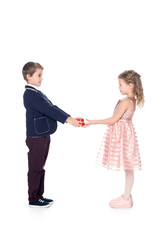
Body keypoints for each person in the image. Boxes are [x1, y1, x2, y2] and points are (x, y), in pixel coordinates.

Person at [23, 62, 80, 208]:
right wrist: (68, 119)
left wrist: (69, 117)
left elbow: (51, 107)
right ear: (28, 76)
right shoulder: (30, 94)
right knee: (35, 168)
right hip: (36, 137)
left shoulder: (36, 92)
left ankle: (39, 196)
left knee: (40, 167)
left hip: (42, 135)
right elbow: (48, 109)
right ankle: (33, 199)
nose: (42, 78)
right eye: (39, 75)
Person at [85, 70, 144, 208]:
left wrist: (92, 122)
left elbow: (113, 120)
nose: (119, 87)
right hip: (124, 134)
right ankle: (126, 196)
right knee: (128, 168)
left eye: (121, 84)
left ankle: (127, 198)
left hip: (124, 136)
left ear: (130, 85)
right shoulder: (129, 100)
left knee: (129, 168)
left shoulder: (127, 102)